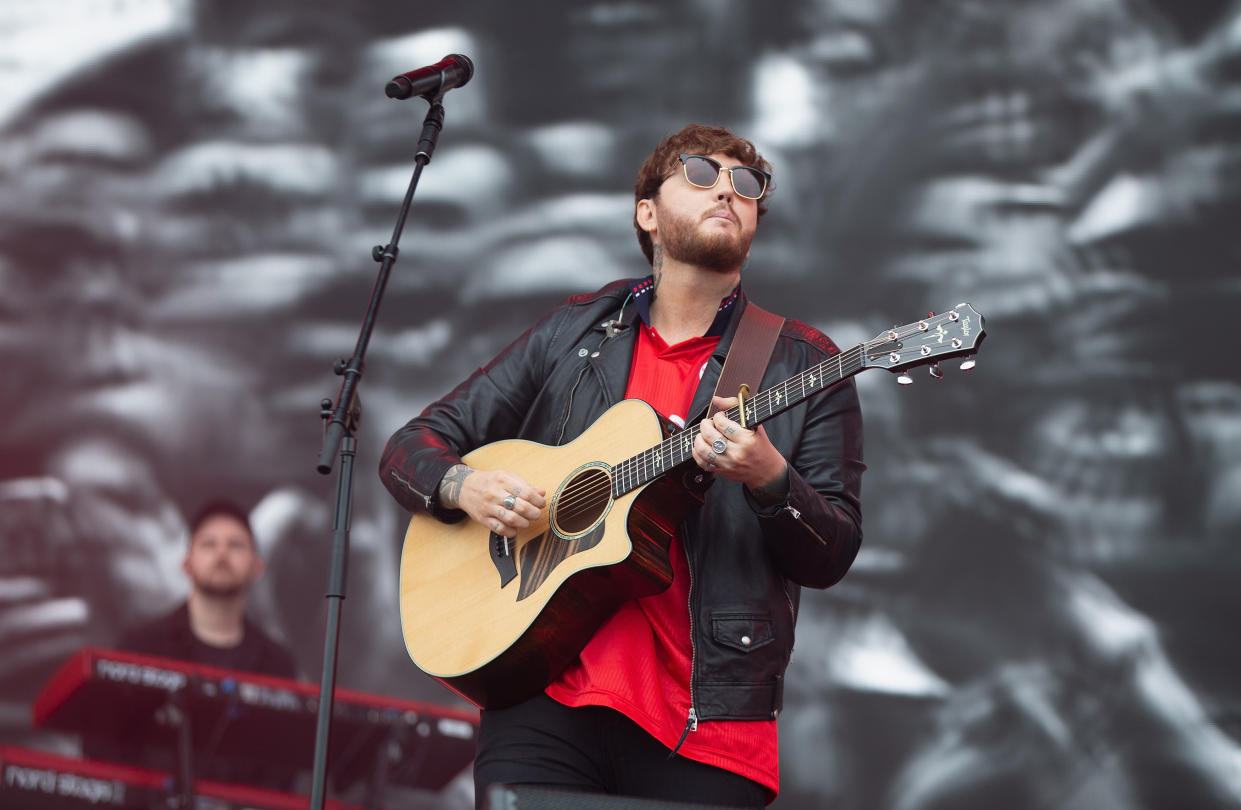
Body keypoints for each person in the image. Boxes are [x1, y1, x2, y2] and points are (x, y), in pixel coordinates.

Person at [380, 123, 864, 808]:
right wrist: (466, 485)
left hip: (710, 720)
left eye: (747, 185)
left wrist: (767, 478)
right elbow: (412, 445)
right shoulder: (572, 333)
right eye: (700, 174)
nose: (728, 189)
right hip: (542, 689)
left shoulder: (804, 361)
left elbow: (832, 550)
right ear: (647, 214)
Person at [114, 498, 298, 678]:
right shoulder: (142, 648)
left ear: (257, 566)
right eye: (208, 544)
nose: (222, 554)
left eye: (235, 545)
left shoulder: (277, 664)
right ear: (186, 564)